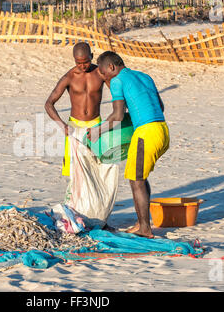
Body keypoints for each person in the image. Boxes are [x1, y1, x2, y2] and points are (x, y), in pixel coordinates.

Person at [88, 51, 170, 238]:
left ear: (111, 67)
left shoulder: (117, 80)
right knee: (140, 177)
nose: (104, 77)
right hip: (162, 130)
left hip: (146, 133)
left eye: (103, 72)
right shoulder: (144, 76)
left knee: (136, 179)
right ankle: (143, 223)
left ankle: (145, 229)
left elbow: (117, 116)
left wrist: (97, 131)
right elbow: (160, 107)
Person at [44, 43, 118, 231]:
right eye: (79, 63)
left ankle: (100, 217)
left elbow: (117, 95)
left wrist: (113, 121)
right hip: (75, 127)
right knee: (74, 174)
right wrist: (63, 126)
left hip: (96, 126)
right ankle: (74, 213)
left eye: (86, 62)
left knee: (98, 171)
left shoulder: (99, 74)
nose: (83, 66)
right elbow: (49, 104)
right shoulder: (70, 77)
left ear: (92, 57)